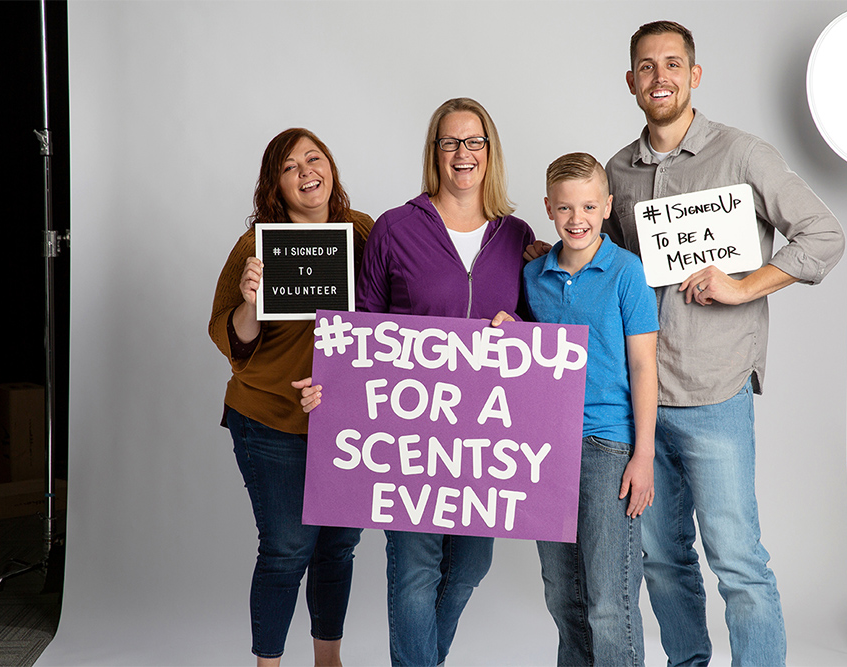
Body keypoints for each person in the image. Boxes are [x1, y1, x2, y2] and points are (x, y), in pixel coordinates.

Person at [603, 21, 846, 666]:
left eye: (673, 64)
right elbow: (609, 279)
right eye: (647, 67)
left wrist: (744, 287)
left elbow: (823, 236)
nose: (661, 77)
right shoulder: (617, 174)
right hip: (641, 403)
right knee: (661, 561)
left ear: (695, 75)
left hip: (716, 394)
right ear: (630, 82)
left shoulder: (742, 155)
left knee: (737, 562)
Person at [305, 97, 533, 667]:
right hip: (410, 434)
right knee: (413, 569)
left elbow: (534, 328)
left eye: (474, 142)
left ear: (490, 151)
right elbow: (362, 326)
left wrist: (520, 329)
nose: (463, 153)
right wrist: (329, 388)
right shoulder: (395, 228)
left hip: (484, 440)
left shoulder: (517, 234)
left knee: (472, 563)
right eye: (450, 142)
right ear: (435, 152)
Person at [209, 128, 374, 667]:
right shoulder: (256, 245)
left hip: (345, 419)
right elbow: (228, 337)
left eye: (314, 158)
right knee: (286, 550)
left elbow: (397, 307)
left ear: (331, 167)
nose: (306, 171)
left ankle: (329, 660)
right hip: (270, 417)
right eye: (289, 166)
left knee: (338, 548)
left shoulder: (363, 233)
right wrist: (250, 301)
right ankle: (269, 665)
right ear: (275, 188)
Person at [526, 153, 658, 666]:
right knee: (562, 592)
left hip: (608, 445)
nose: (575, 218)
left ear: (606, 206)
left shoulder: (627, 272)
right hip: (545, 450)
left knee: (609, 597)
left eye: (586, 206)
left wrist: (642, 455)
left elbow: (645, 367)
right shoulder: (533, 276)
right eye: (564, 208)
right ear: (549, 209)